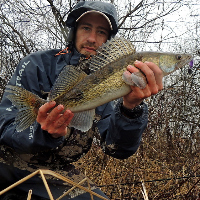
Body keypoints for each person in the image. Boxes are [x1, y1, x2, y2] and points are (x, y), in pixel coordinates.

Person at [0, 1, 163, 199]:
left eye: (101, 32)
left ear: (108, 40)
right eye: (86, 28)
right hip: (5, 162)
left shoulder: (111, 85)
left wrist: (130, 108)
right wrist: (41, 132)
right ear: (74, 31)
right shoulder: (36, 64)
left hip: (53, 172)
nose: (92, 39)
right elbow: (5, 126)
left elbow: (116, 148)